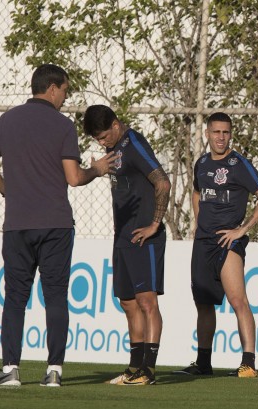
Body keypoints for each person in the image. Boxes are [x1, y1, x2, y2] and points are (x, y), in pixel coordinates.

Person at [0, 64, 117, 387]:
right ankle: (54, 370)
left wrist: (8, 190)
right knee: (55, 297)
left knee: (15, 297)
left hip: (17, 224)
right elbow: (73, 177)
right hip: (55, 224)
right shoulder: (62, 126)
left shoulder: (8, 120)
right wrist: (96, 170)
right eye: (65, 90)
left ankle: (10, 369)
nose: (65, 96)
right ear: (53, 88)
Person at [172, 112, 258, 378]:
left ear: (231, 134)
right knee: (204, 303)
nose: (221, 137)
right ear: (207, 133)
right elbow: (196, 192)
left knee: (238, 300)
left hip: (228, 242)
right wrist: (198, 223)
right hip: (204, 241)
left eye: (226, 132)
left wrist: (242, 229)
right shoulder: (202, 163)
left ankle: (248, 363)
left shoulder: (238, 163)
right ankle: (203, 363)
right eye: (216, 132)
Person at [84, 105, 171, 386]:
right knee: (127, 301)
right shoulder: (114, 150)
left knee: (147, 302)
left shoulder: (133, 142)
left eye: (103, 136)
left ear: (116, 125)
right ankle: (134, 367)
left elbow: (163, 182)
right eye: (96, 139)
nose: (101, 142)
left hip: (144, 235)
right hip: (122, 236)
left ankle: (149, 369)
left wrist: (154, 224)